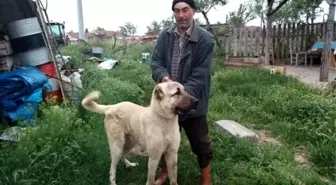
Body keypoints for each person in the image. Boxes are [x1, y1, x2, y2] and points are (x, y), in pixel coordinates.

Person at [150, 0, 214, 184]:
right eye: (177, 11)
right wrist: (163, 78)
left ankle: (206, 179)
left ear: (193, 11)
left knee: (200, 143)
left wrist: (182, 97)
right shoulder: (165, 36)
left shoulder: (205, 39)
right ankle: (165, 172)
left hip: (192, 101)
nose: (181, 15)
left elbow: (200, 74)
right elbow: (156, 63)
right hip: (167, 103)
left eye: (185, 10)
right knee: (163, 141)